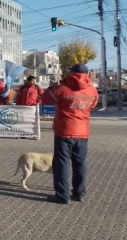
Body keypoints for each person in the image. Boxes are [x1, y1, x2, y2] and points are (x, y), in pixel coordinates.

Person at [41, 64, 98, 204]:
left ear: (72, 73)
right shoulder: (92, 90)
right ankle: (79, 193)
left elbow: (45, 99)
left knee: (62, 164)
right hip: (83, 132)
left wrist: (52, 86)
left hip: (64, 131)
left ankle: (62, 195)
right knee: (80, 164)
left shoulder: (62, 88)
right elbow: (93, 105)